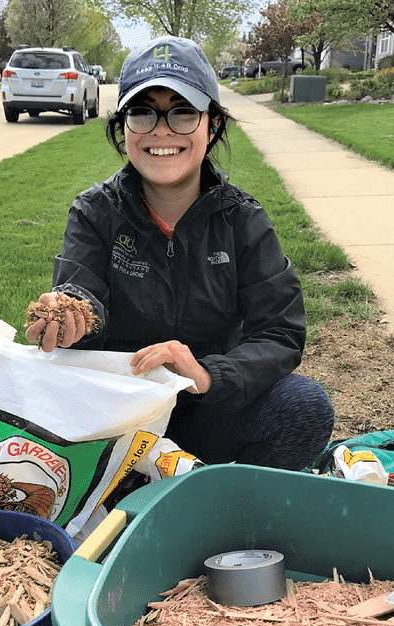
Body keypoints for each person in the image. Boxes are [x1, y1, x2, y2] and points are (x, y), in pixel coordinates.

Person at [26, 35, 334, 475]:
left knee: (304, 406)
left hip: (205, 411)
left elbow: (280, 333)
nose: (162, 130)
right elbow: (82, 289)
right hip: (116, 415)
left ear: (212, 126)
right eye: (142, 111)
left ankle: (227, 512)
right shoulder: (95, 211)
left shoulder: (242, 220)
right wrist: (72, 315)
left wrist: (206, 375)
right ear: (124, 128)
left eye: (183, 112)